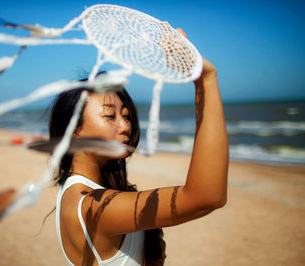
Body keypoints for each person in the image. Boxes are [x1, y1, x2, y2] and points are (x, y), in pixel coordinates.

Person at [49, 29, 228, 265]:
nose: (125, 126)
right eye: (109, 116)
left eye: (126, 116)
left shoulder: (80, 193)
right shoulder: (92, 205)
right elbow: (206, 196)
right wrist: (205, 79)